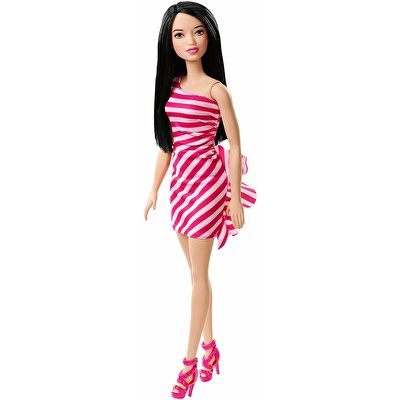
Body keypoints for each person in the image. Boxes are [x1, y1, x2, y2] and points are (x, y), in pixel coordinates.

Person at [143, 2, 257, 398]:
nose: (190, 40)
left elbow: (235, 144)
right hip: (181, 185)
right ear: (169, 41)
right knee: (197, 274)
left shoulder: (216, 90)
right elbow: (167, 144)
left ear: (209, 34)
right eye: (179, 34)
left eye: (197, 31)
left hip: (207, 184)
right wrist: (154, 188)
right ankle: (211, 348)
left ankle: (189, 362)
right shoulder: (171, 87)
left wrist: (235, 197)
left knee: (197, 276)